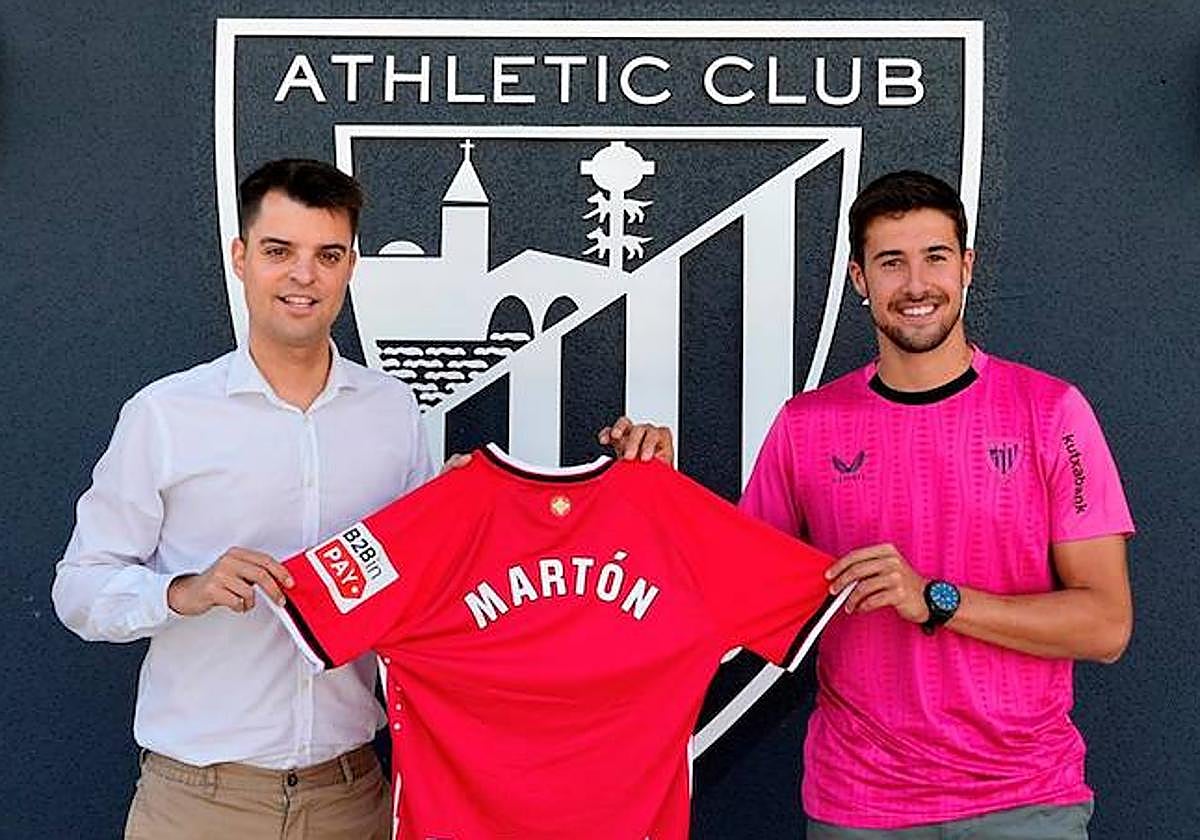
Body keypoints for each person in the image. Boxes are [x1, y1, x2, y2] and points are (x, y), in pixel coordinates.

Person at [52, 158, 668, 840]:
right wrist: (183, 591)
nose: (303, 275)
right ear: (241, 257)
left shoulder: (392, 411)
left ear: (350, 266)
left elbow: (438, 591)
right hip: (198, 803)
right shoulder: (165, 415)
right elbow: (79, 587)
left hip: (350, 797)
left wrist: (611, 492)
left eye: (327, 255)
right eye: (279, 251)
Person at [737, 170, 1135, 838]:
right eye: (892, 262)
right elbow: (738, 596)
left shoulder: (1051, 413)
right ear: (860, 279)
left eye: (936, 257)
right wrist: (651, 485)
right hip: (860, 805)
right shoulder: (807, 426)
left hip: (1024, 801)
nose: (916, 285)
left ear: (967, 267)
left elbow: (1106, 626)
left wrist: (936, 600)